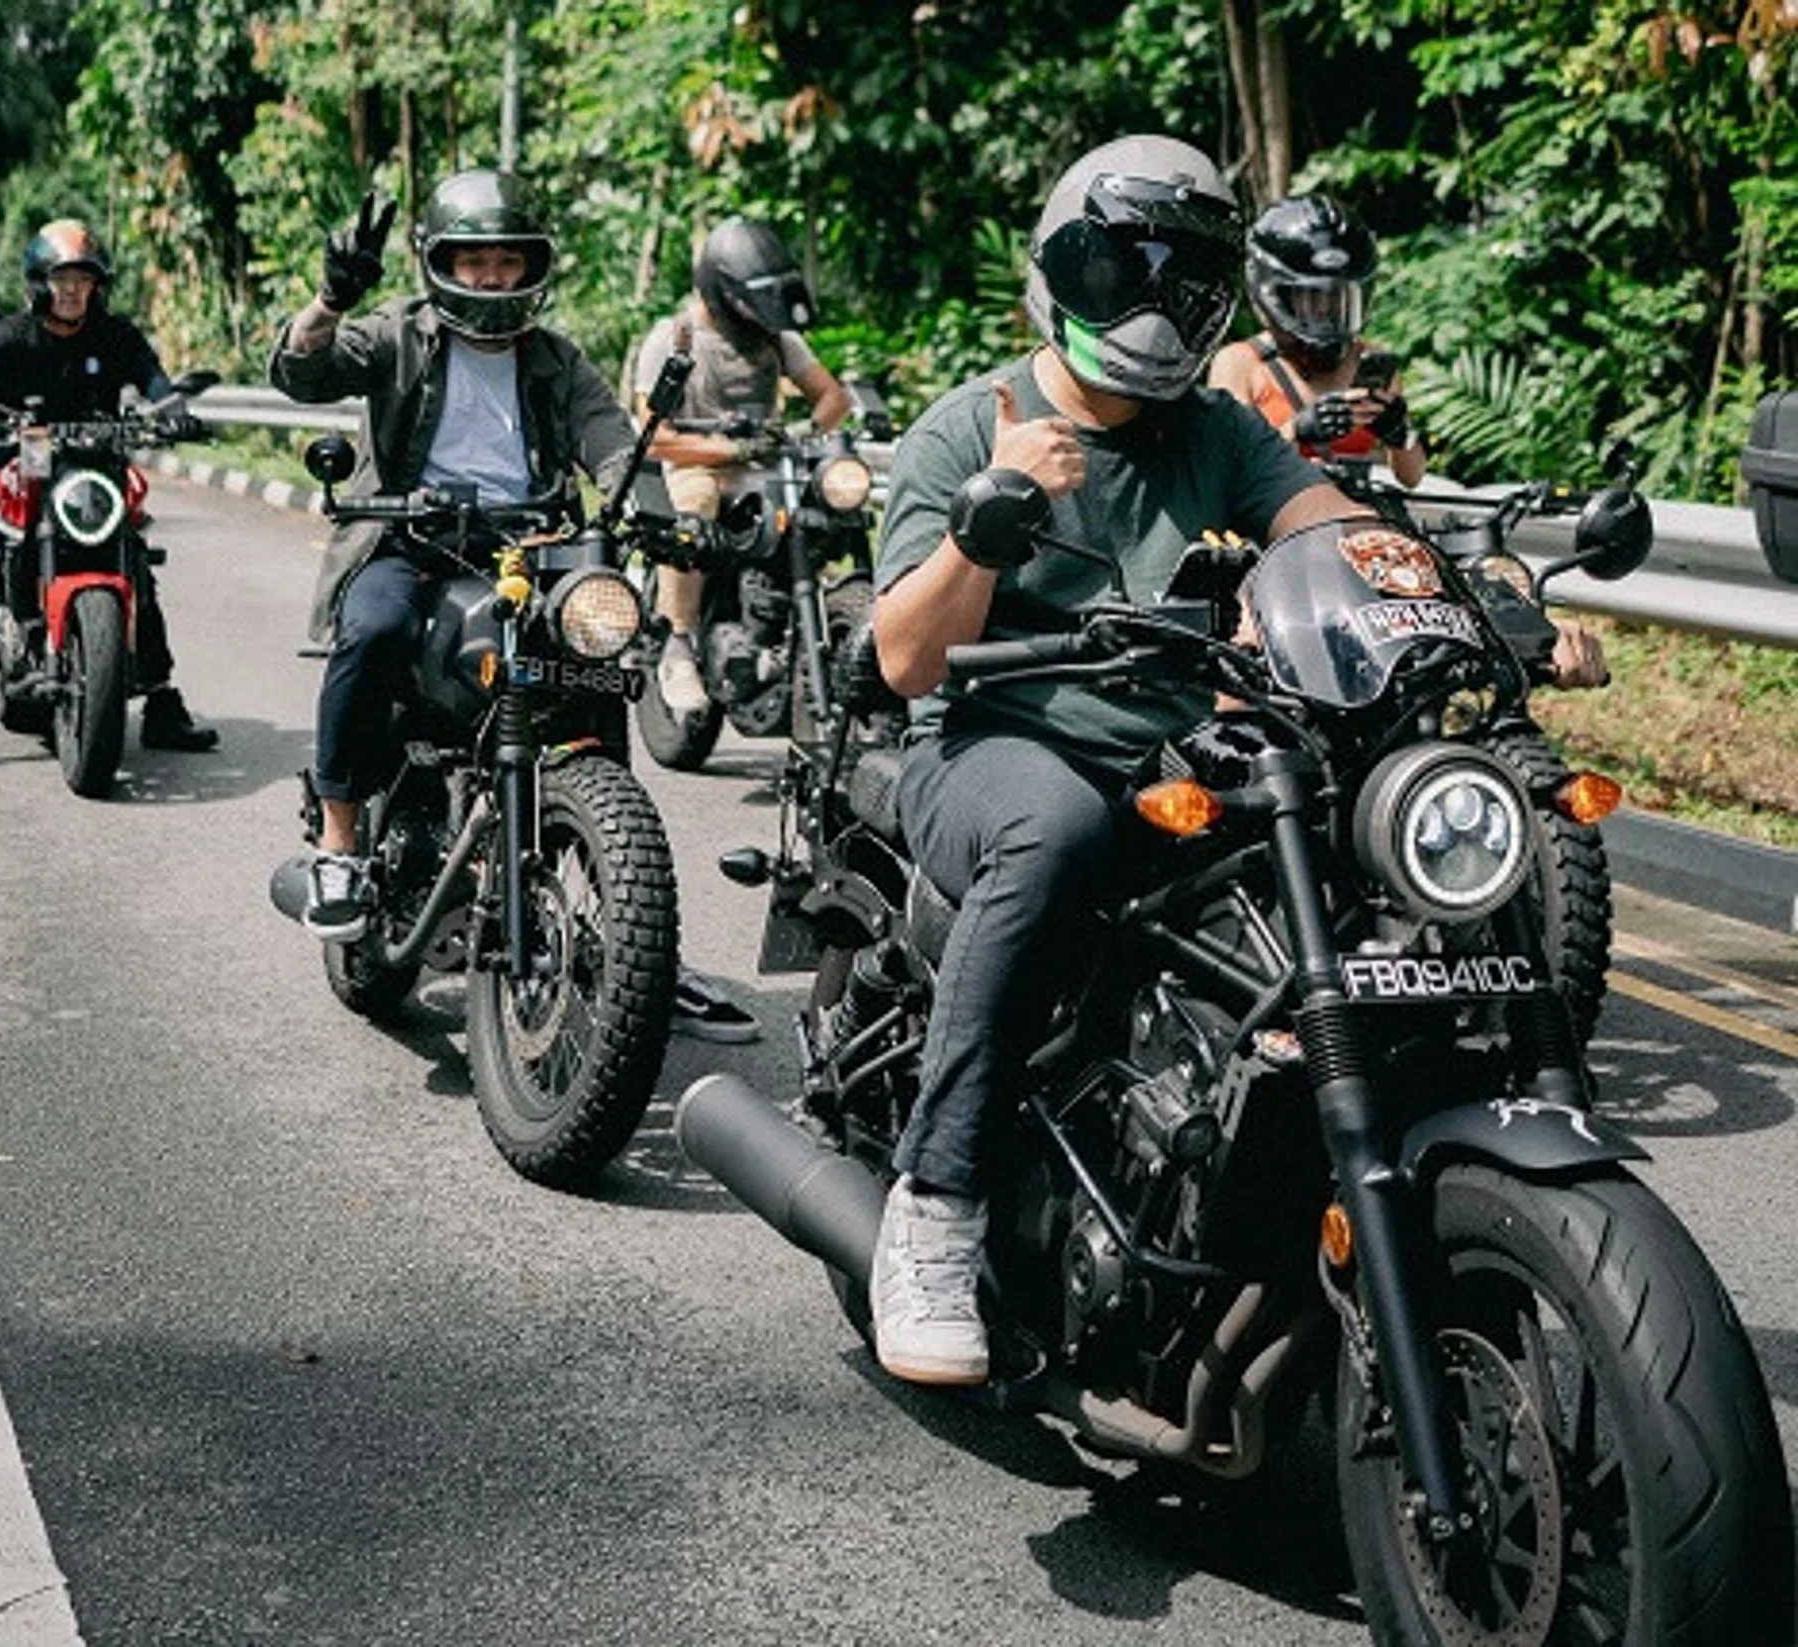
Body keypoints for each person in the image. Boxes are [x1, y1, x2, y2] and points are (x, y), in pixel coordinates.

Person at [864, 135, 1608, 1388]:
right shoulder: (973, 427)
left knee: (1336, 839)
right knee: (1054, 833)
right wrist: (994, 513)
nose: (1154, 310)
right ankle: (934, 1209)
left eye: (1185, 283)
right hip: (997, 741)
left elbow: (1341, 527)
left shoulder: (1212, 429)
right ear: (1065, 269)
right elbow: (904, 660)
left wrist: (1486, 596)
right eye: (1125, 273)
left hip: (1172, 747)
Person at [268, 169, 759, 1042]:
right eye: (475, 261)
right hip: (410, 541)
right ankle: (340, 845)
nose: (492, 278)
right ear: (441, 263)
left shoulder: (556, 359)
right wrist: (329, 300)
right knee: (372, 628)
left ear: (533, 265)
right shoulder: (398, 334)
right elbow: (302, 372)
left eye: (507, 261)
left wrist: (665, 521)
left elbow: (612, 442)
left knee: (594, 662)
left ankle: (629, 929)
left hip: (531, 547)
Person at [0, 218, 217, 753]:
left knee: (131, 555)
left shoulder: (116, 336)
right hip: (21, 463)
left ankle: (161, 701)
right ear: (39, 283)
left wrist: (173, 408)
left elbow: (154, 380)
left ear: (97, 286)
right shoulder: (7, 337)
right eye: (61, 279)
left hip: (94, 465)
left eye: (83, 279)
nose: (72, 290)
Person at [630, 216, 852, 716]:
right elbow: (653, 436)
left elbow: (833, 398)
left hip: (766, 467)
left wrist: (801, 430)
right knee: (695, 503)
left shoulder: (776, 339)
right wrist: (730, 451)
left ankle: (808, 622)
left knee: (824, 509)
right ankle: (678, 646)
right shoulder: (674, 339)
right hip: (695, 467)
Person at [1206, 193, 1428, 489]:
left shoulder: (1369, 362)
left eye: (1336, 297)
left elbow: (1412, 478)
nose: (1325, 310)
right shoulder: (1241, 363)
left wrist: (1399, 433)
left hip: (1354, 511)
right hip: (1273, 511)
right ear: (1277, 296)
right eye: (1310, 298)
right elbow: (1224, 473)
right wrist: (1297, 431)